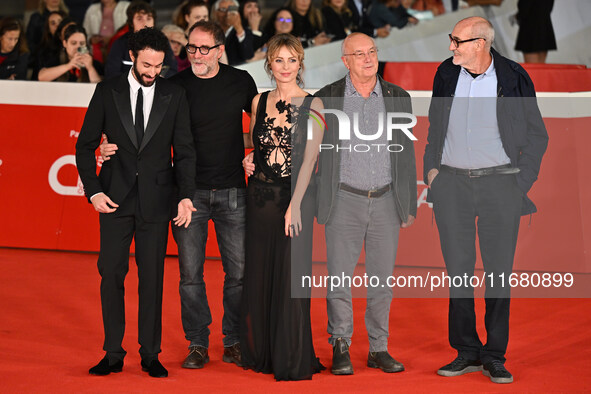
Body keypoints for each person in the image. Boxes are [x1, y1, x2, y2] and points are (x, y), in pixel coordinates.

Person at [423, 17, 548, 384]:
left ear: (480, 43)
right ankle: (466, 351)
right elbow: (434, 127)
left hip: (500, 188)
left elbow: (537, 136)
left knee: (497, 273)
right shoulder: (446, 74)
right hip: (452, 187)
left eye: (457, 41)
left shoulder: (513, 77)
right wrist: (433, 172)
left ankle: (494, 355)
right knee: (458, 272)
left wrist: (519, 183)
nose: (451, 47)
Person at [76, 27, 197, 379]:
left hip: (157, 202)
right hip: (114, 198)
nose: (152, 72)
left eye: (158, 66)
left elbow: (185, 152)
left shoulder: (174, 94)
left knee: (153, 279)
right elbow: (84, 146)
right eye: (146, 64)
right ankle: (113, 352)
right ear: (132, 56)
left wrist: (185, 195)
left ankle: (150, 353)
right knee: (111, 274)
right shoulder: (106, 90)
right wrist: (94, 191)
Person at [315, 32, 417, 375]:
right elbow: (307, 150)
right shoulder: (326, 97)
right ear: (345, 61)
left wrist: (409, 203)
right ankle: (340, 343)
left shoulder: (398, 97)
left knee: (381, 281)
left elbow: (406, 155)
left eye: (372, 51)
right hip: (343, 199)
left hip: (387, 200)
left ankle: (378, 348)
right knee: (339, 279)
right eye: (359, 54)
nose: (368, 58)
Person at [170, 20, 257, 370]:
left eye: (204, 48)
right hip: (189, 195)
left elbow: (260, 126)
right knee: (190, 275)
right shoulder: (176, 86)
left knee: (238, 274)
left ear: (221, 49)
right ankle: (197, 343)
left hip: (234, 191)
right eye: (192, 47)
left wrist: (254, 153)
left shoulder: (240, 82)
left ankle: (234, 340)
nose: (197, 54)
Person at [239, 33, 325, 381]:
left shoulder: (314, 104)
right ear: (269, 64)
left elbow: (310, 160)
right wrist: (248, 157)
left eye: (292, 60)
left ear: (300, 63)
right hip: (259, 198)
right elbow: (254, 140)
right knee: (260, 276)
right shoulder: (258, 101)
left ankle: (290, 356)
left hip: (295, 200)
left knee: (292, 279)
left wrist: (296, 205)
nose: (286, 67)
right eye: (279, 60)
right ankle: (263, 352)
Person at [104, 1, 177, 78]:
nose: (145, 23)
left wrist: (156, 81)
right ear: (131, 22)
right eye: (139, 19)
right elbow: (111, 73)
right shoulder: (120, 43)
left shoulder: (162, 40)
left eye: (148, 18)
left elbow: (172, 69)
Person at [38, 24, 102, 82]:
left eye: (82, 43)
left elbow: (99, 89)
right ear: (65, 43)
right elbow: (41, 77)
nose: (78, 47)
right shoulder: (56, 60)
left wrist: (90, 68)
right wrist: (68, 66)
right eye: (73, 43)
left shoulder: (93, 63)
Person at [211, 0, 254, 65]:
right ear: (216, 13)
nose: (227, 13)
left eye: (231, 10)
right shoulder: (211, 31)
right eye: (223, 9)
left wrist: (239, 28)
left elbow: (248, 55)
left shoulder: (245, 31)